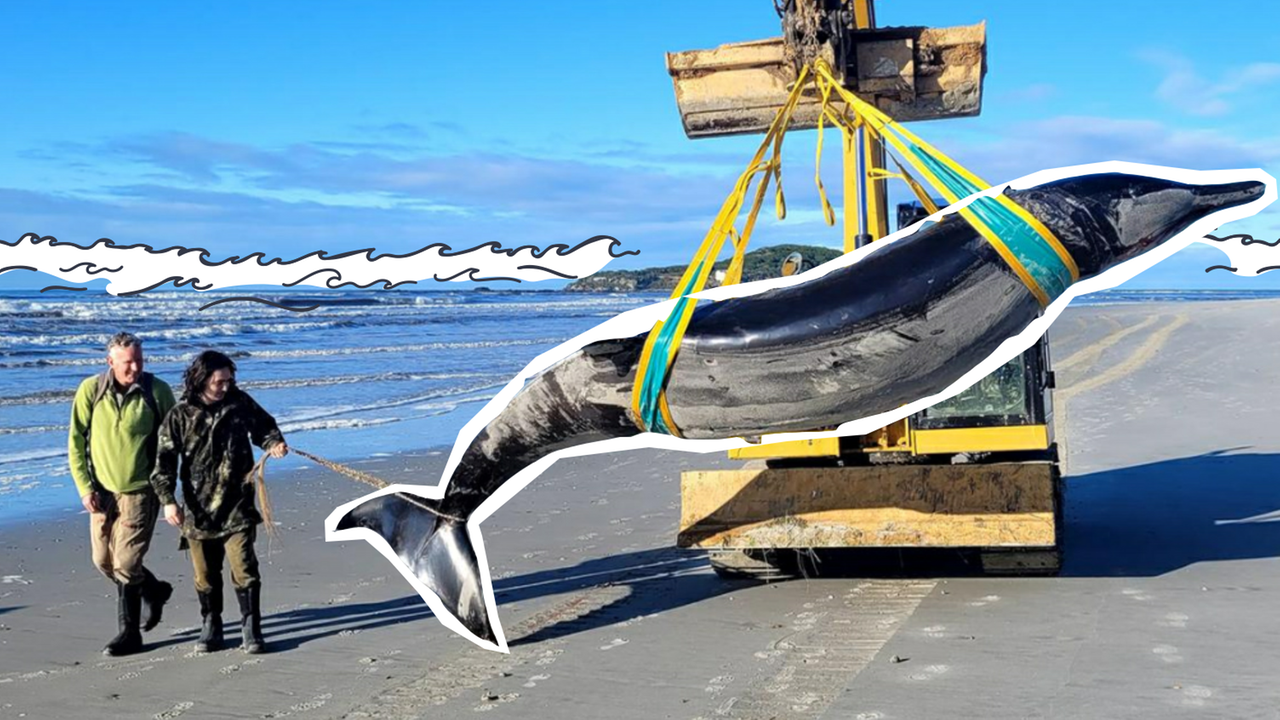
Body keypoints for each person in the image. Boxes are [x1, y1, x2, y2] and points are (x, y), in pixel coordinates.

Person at [151, 350, 288, 654]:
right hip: (198, 510)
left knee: (244, 566)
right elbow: (163, 462)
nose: (226, 386)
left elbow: (264, 427)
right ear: (201, 379)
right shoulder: (180, 415)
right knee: (205, 574)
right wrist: (168, 501)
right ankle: (211, 624)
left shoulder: (239, 403)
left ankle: (251, 627)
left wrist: (274, 442)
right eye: (219, 382)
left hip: (238, 503)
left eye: (229, 380)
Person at [68, 331, 177, 656]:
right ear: (110, 361)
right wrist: (85, 487)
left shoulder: (156, 391)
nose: (134, 368)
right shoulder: (91, 390)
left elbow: (173, 444)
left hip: (141, 492)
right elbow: (75, 442)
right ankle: (154, 590)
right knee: (103, 561)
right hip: (101, 493)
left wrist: (168, 492)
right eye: (128, 362)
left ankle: (129, 634)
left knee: (127, 564)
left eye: (139, 361)